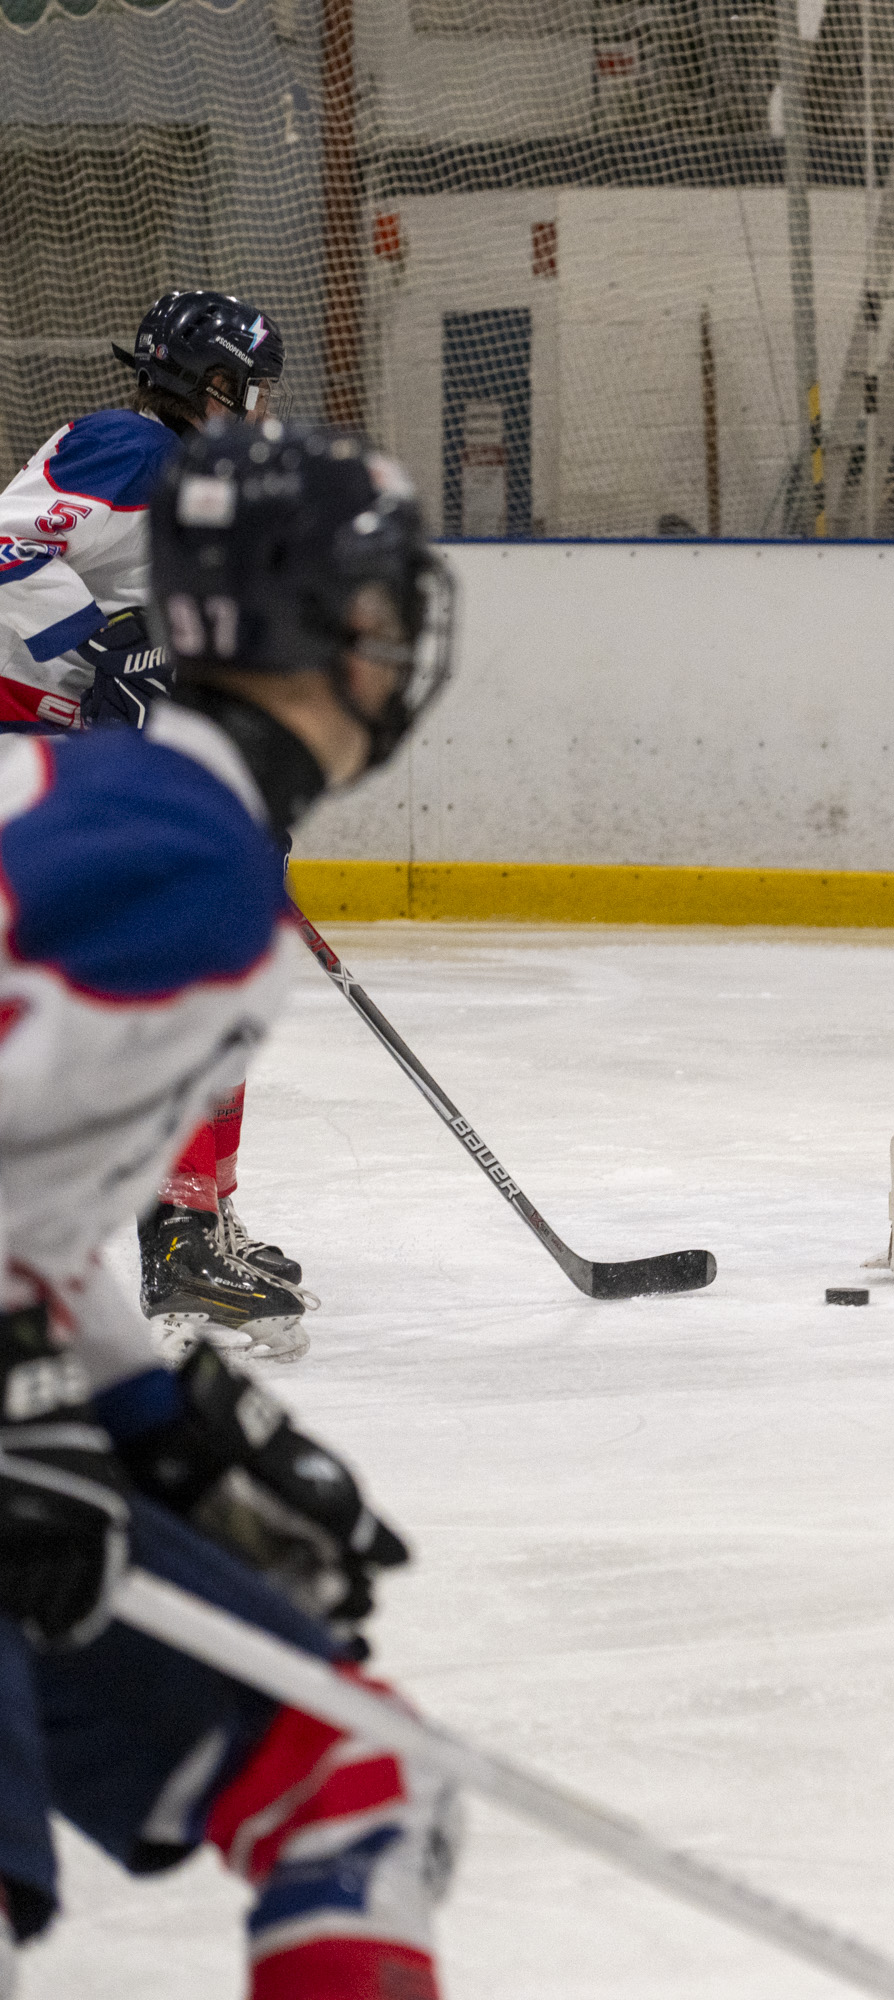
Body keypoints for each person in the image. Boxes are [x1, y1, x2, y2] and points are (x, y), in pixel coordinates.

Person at [0, 416, 460, 1994]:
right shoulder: (180, 853)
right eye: (381, 607)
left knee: (350, 1777)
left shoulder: (139, 817)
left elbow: (31, 1216)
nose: (402, 645)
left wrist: (153, 1415)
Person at [0, 289, 311, 1350]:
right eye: (249, 386)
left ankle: (195, 1221)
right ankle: (173, 1235)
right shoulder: (127, 447)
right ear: (209, 383)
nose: (260, 409)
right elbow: (4, 552)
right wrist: (100, 648)